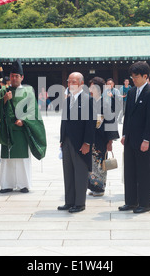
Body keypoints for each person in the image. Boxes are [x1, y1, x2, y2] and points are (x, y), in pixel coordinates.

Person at [0, 60, 47, 194]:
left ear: (22, 77)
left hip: (21, 131)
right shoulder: (3, 91)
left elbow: (33, 111)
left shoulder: (27, 91)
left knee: (22, 159)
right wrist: (4, 99)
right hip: (7, 130)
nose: (14, 78)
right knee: (7, 159)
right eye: (12, 75)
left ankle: (24, 184)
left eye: (17, 76)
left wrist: (23, 121)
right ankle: (7, 184)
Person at [120, 61, 150, 214]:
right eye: (132, 77)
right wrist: (124, 134)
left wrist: (147, 140)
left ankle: (144, 203)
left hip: (144, 141)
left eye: (136, 77)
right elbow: (127, 115)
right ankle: (130, 201)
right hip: (130, 139)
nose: (133, 79)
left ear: (145, 76)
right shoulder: (130, 92)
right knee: (129, 171)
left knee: (143, 172)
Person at [59, 72, 96, 213]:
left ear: (81, 84)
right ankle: (69, 201)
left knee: (80, 173)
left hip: (81, 143)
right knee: (68, 172)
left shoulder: (88, 100)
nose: (70, 84)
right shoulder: (67, 100)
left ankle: (79, 203)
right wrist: (62, 139)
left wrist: (87, 143)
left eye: (74, 82)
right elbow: (64, 122)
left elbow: (90, 124)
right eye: (69, 82)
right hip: (67, 141)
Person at [87, 77, 119, 197]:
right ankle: (92, 186)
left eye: (92, 86)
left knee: (100, 164)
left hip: (101, 138)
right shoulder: (89, 102)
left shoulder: (104, 103)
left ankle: (100, 188)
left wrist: (110, 141)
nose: (90, 89)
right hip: (91, 138)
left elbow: (111, 122)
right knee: (91, 164)